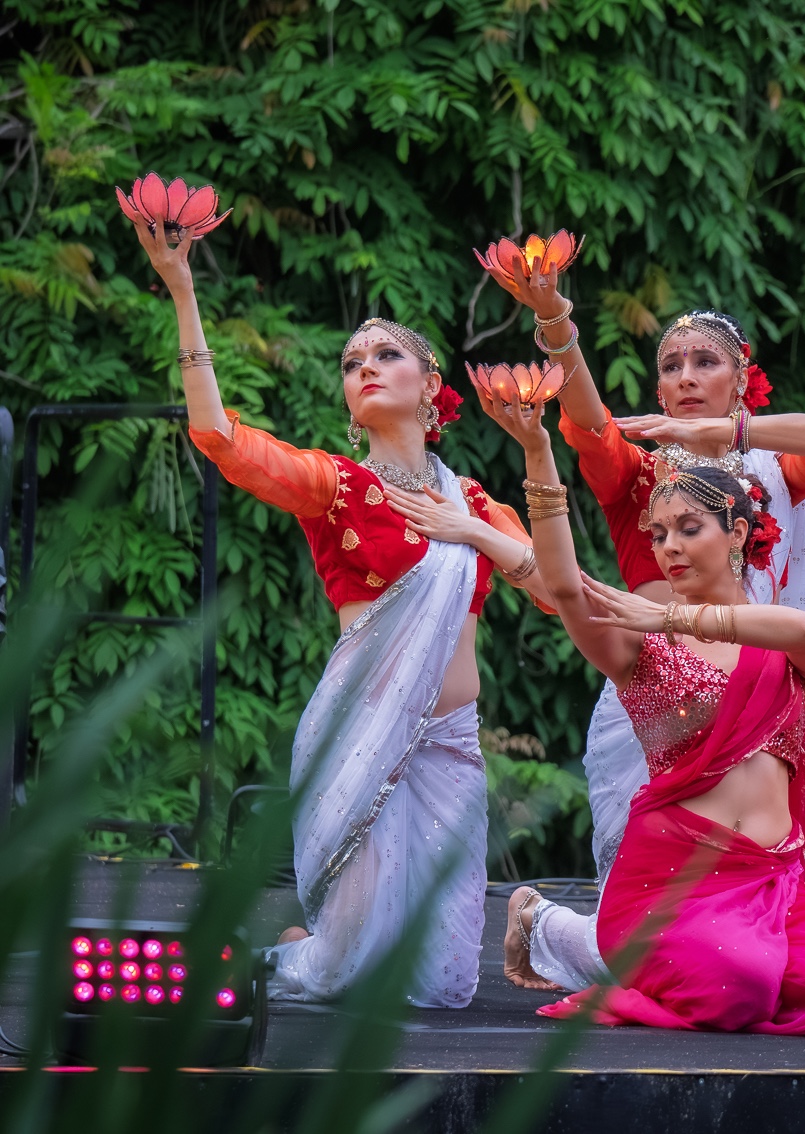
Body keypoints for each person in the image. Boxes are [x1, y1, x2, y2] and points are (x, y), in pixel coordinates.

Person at [127, 214, 552, 1007]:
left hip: (449, 748)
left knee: (445, 986)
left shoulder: (472, 503)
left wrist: (474, 527)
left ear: (431, 386)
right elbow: (218, 437)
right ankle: (293, 951)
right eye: (351, 362)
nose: (365, 367)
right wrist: (182, 289)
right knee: (344, 973)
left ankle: (315, 942)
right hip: (361, 733)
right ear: (349, 401)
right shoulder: (336, 485)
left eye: (386, 354)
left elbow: (557, 595)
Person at [489, 393, 805, 1034]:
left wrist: (675, 615)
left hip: (771, 883)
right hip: (675, 879)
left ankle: (563, 933)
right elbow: (564, 587)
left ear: (738, 532)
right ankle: (548, 925)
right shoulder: (639, 645)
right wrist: (538, 450)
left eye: (688, 528)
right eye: (657, 535)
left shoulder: (777, 634)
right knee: (738, 985)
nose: (669, 548)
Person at [486, 256, 805, 881]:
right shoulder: (638, 473)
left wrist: (724, 430)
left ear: (742, 379)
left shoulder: (773, 470)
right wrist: (553, 317)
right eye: (671, 367)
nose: (686, 377)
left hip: (755, 679)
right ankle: (552, 924)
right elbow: (588, 424)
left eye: (706, 362)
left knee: (753, 872)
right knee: (652, 887)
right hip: (662, 683)